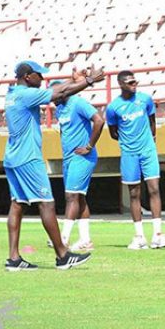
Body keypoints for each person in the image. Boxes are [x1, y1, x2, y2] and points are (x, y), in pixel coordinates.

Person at [3, 61, 104, 271]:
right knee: (46, 203)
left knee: (17, 204)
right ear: (29, 76)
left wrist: (73, 80)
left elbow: (60, 89)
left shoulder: (12, 94)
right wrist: (89, 80)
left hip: (12, 157)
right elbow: (60, 93)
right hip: (29, 158)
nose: (42, 79)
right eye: (40, 75)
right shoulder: (26, 95)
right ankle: (63, 254)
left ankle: (14, 258)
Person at [105, 71, 165, 250]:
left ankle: (158, 235)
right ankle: (139, 236)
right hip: (129, 154)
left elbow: (152, 121)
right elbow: (113, 132)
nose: (134, 84)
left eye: (135, 81)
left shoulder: (145, 99)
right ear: (121, 84)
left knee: (154, 189)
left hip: (148, 151)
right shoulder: (113, 108)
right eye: (130, 82)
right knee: (134, 193)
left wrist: (152, 139)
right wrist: (128, 142)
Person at [51, 79, 105, 251]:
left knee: (71, 196)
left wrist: (89, 146)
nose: (52, 98)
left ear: (64, 91)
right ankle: (85, 240)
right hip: (68, 158)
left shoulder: (78, 103)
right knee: (79, 198)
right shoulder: (59, 110)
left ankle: (63, 238)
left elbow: (99, 120)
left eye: (55, 93)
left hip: (82, 158)